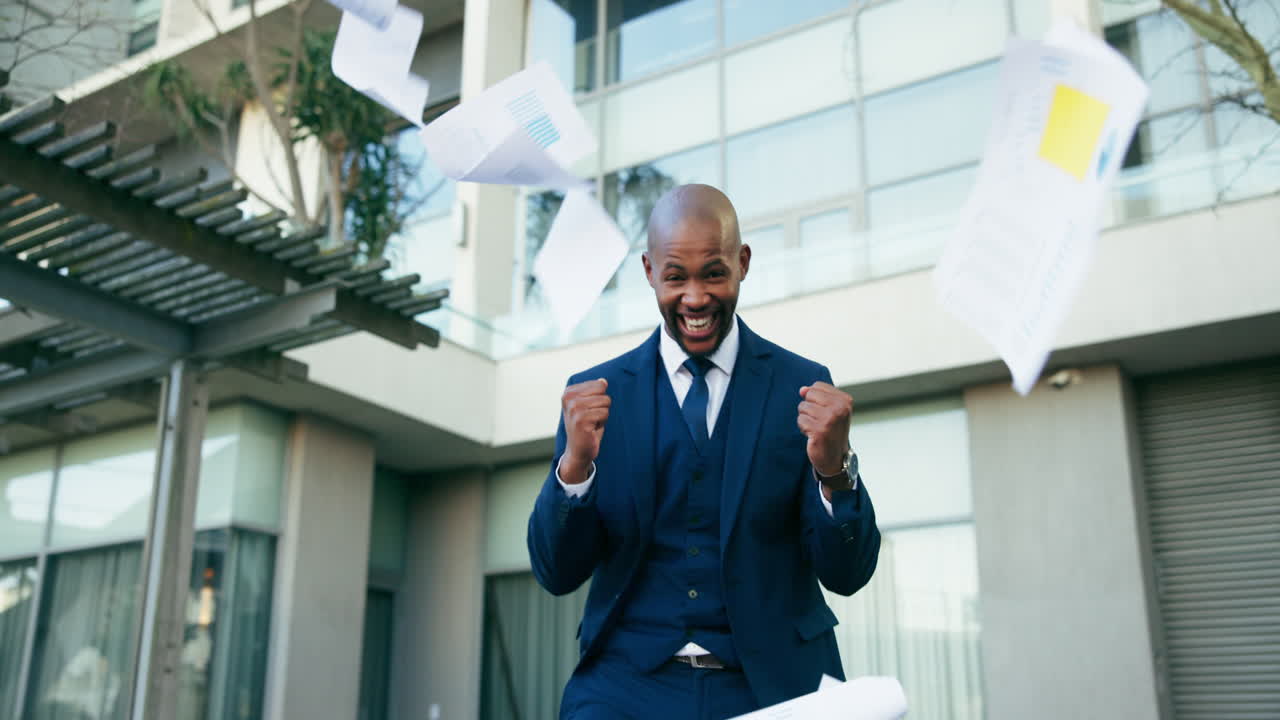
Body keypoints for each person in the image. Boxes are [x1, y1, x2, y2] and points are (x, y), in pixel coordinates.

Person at [527, 184, 880, 719]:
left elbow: (849, 575)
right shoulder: (595, 397)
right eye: (675, 277)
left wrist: (834, 472)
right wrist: (574, 468)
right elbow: (555, 573)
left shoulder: (803, 388)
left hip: (774, 681)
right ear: (649, 271)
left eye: (713, 273)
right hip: (627, 685)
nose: (694, 298)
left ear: (742, 263)